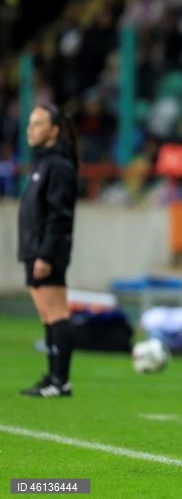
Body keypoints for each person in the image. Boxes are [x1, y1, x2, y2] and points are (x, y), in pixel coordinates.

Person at [18, 103, 79, 398]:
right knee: (46, 314)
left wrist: (45, 253)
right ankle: (53, 376)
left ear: (54, 130)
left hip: (47, 251)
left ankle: (61, 381)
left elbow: (59, 214)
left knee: (56, 313)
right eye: (31, 123)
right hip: (34, 248)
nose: (31, 128)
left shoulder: (58, 166)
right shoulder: (42, 164)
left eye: (38, 123)